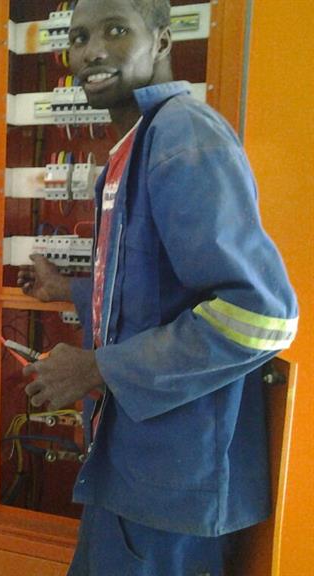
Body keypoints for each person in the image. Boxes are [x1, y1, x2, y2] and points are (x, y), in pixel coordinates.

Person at [17, 0, 298, 574]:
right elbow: (149, 292)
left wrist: (98, 368)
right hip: (131, 474)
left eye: (116, 30)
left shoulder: (182, 135)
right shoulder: (136, 146)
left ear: (164, 42)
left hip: (173, 489)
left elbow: (261, 314)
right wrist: (67, 289)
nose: (92, 51)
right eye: (79, 38)